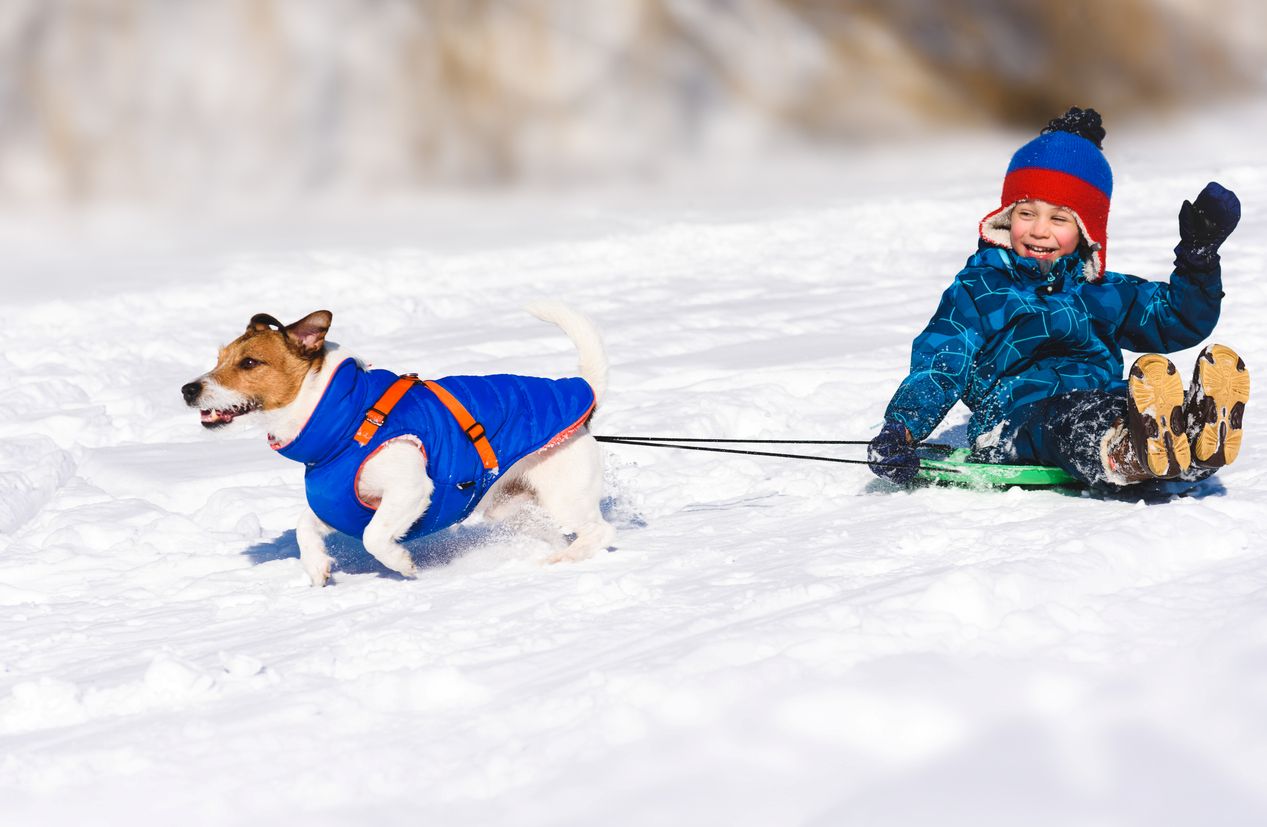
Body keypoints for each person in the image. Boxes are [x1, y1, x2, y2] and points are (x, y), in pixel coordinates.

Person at [867, 107, 1248, 489]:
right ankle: (1130, 451)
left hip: (1101, 400)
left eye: (1059, 219)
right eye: (1026, 213)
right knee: (1075, 420)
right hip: (1013, 421)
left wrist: (1197, 263)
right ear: (1006, 217)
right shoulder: (980, 289)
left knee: (1128, 406)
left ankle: (1193, 435)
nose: (1038, 230)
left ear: (1085, 230)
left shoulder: (1100, 288)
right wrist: (902, 428)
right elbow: (941, 363)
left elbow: (1175, 319)